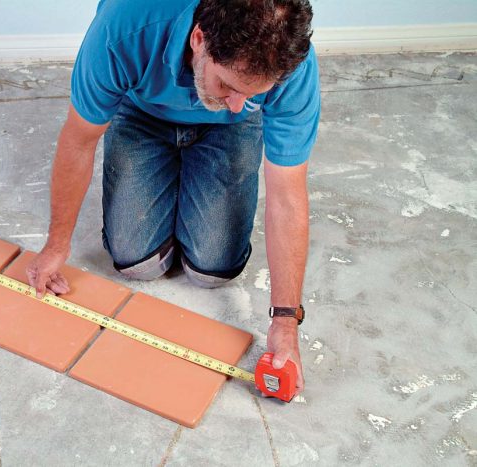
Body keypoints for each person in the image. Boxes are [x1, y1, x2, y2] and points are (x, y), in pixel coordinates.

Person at [26, 0, 320, 396]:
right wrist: (55, 246)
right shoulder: (124, 27)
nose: (236, 101)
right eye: (227, 85)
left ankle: (205, 144)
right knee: (135, 262)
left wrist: (285, 323)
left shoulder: (288, 65)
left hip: (228, 131)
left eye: (252, 93)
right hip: (144, 111)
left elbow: (287, 194)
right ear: (199, 39)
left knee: (213, 269)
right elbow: (79, 141)